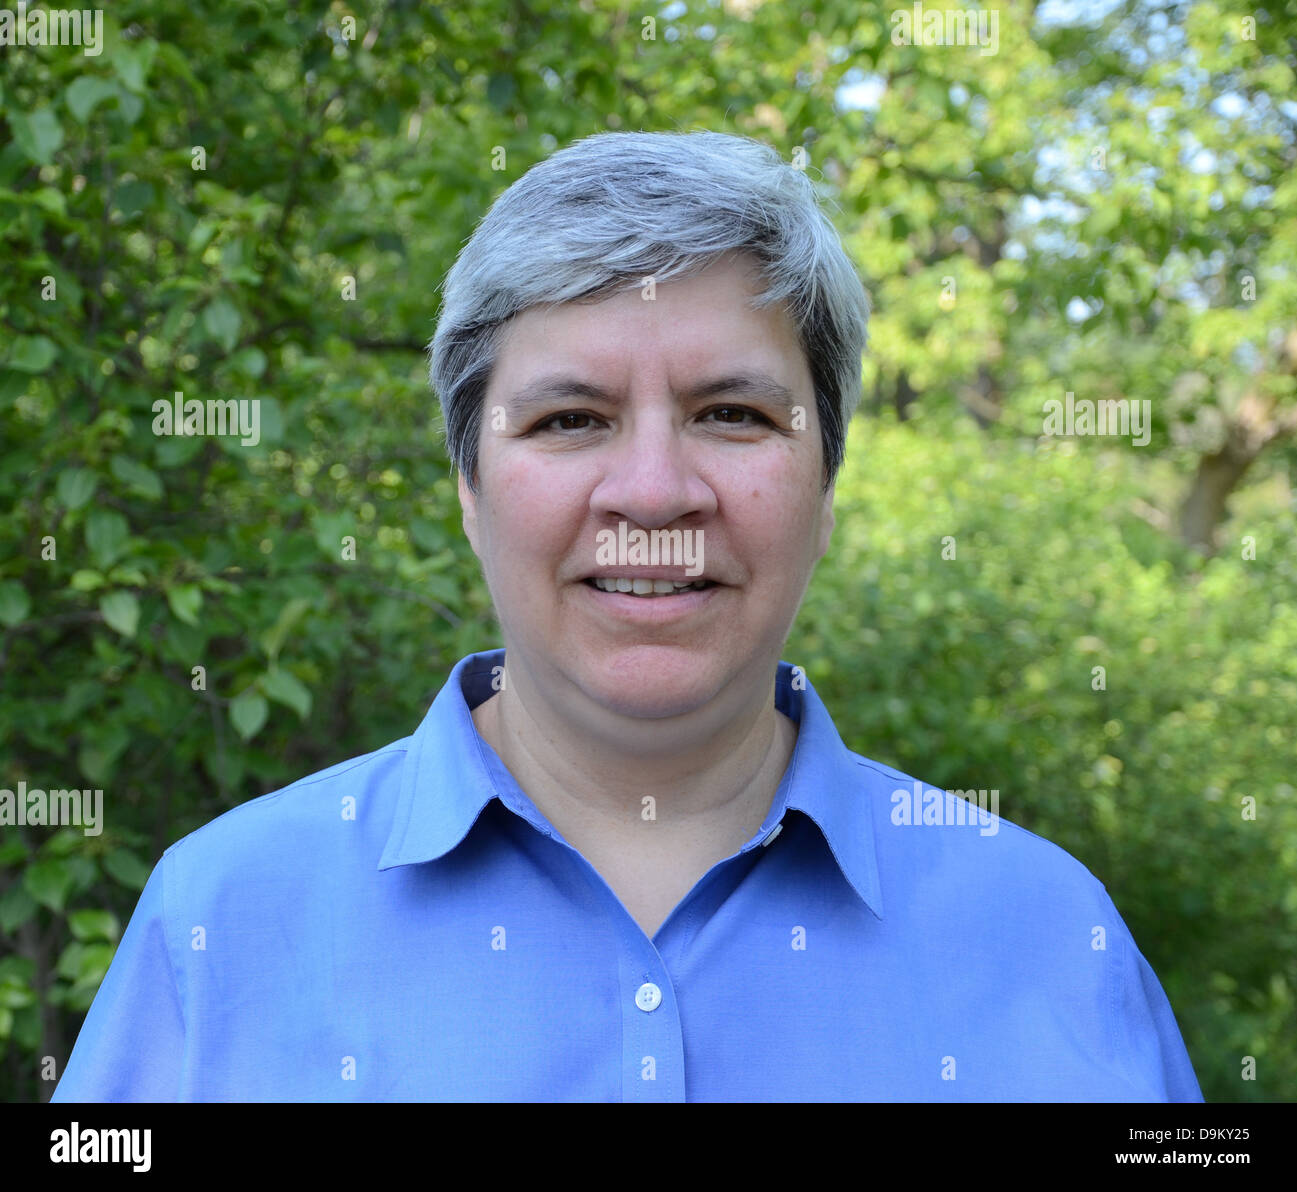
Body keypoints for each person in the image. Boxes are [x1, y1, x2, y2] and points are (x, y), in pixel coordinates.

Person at [52, 130, 1202, 1102]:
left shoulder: (1053, 941)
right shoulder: (220, 924)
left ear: (826, 487)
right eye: (569, 419)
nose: (653, 491)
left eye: (732, 412)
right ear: (468, 488)